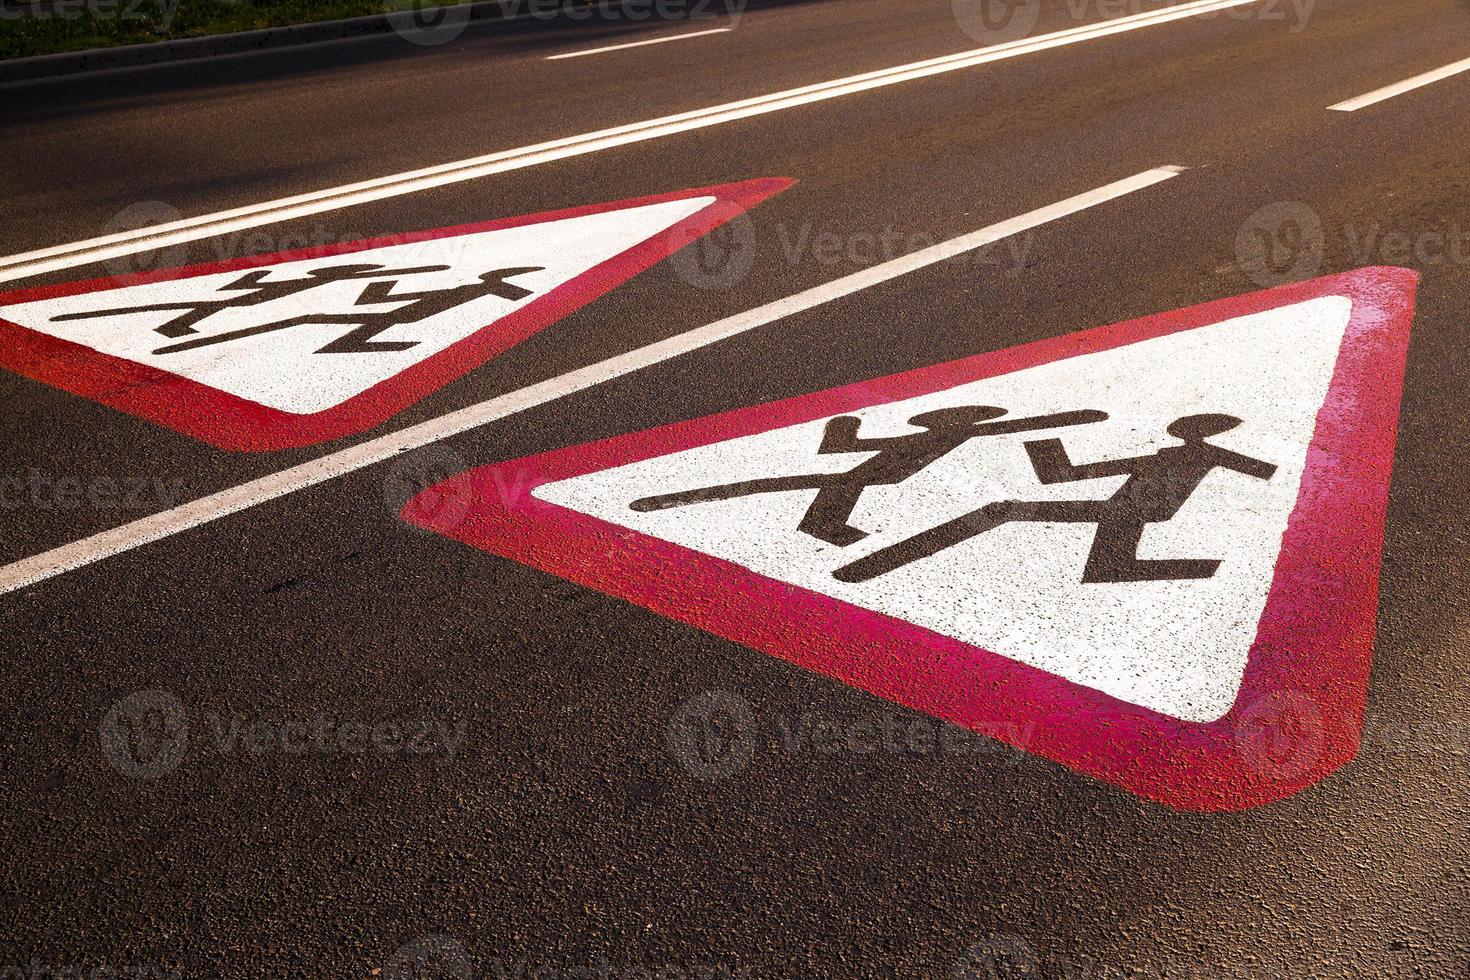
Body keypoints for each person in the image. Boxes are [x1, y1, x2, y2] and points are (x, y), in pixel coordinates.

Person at [833, 413, 1277, 584]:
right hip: (1124, 507)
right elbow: (1072, 476)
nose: (1188, 435)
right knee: (1109, 561)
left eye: (1194, 431)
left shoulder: (1215, 454)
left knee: (1003, 510)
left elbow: (1262, 471)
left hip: (1137, 508)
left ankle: (875, 563)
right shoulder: (1163, 454)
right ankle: (1140, 568)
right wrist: (1046, 449)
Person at [630, 405, 1107, 546]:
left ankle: (829, 529)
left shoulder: (960, 432)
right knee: (790, 485)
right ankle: (672, 499)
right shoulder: (938, 435)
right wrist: (846, 422)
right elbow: (843, 446)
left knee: (803, 486)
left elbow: (1018, 425)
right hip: (874, 470)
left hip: (879, 473)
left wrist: (1066, 423)